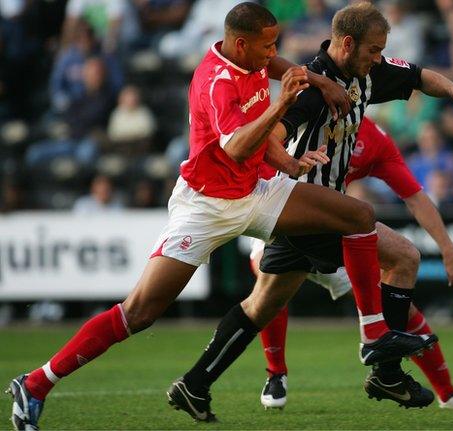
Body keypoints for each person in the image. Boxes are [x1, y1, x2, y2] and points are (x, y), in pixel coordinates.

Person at [7, 4, 431, 430]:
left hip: (255, 191)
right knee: (139, 312)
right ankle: (37, 382)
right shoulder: (217, 81)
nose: (274, 54)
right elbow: (237, 149)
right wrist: (283, 103)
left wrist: (311, 92)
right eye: (267, 46)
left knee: (358, 214)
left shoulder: (249, 56)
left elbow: (275, 74)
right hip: (206, 206)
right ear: (241, 43)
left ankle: (374, 335)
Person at [170, 2, 453, 421]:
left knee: (262, 305)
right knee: (402, 257)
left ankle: (195, 383)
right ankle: (382, 362)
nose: (379, 59)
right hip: (303, 206)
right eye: (373, 51)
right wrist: (290, 163)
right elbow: (271, 135)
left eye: (382, 51)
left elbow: (418, 76)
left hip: (308, 215)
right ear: (347, 44)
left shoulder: (367, 73)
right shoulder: (312, 87)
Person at [254, 117, 453, 410]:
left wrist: (449, 250)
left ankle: (445, 393)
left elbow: (415, 197)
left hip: (330, 233)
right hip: (282, 219)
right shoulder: (306, 116)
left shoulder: (373, 141)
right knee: (267, 293)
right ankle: (276, 375)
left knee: (396, 301)